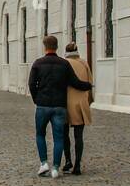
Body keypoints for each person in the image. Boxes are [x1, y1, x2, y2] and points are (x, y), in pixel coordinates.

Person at [27, 35, 91, 178]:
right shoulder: (64, 64)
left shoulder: (38, 63)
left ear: (45, 46)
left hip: (43, 105)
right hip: (59, 106)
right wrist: (88, 85)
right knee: (59, 137)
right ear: (56, 47)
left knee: (40, 134)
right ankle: (56, 167)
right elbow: (75, 82)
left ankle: (44, 163)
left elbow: (31, 84)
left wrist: (36, 99)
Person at [60, 42, 93, 175]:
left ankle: (68, 160)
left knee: (64, 134)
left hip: (65, 102)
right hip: (81, 103)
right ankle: (78, 164)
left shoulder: (63, 63)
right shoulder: (84, 63)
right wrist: (88, 101)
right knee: (78, 136)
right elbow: (90, 83)